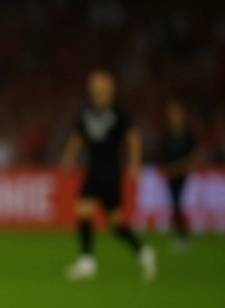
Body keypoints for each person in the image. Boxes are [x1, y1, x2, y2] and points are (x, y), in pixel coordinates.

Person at [59, 70, 155, 281]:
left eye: (100, 86)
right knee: (83, 211)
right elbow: (78, 136)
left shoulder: (119, 113)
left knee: (115, 223)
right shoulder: (86, 112)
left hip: (111, 172)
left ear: (109, 89)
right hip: (93, 170)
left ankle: (142, 252)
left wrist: (135, 164)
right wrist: (69, 157)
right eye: (93, 86)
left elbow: (133, 139)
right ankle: (87, 262)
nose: (96, 90)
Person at [160, 100, 200, 251]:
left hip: (185, 175)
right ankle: (180, 235)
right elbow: (162, 154)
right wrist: (168, 169)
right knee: (174, 204)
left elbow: (195, 154)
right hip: (171, 175)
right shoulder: (167, 135)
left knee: (181, 203)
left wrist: (181, 167)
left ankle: (184, 235)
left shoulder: (187, 134)